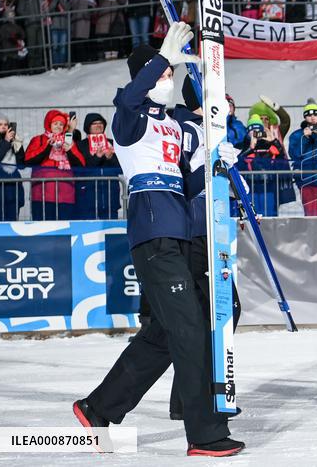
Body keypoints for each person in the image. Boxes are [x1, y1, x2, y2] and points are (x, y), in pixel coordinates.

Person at [72, 23, 245, 457]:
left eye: (170, 76)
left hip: (180, 232)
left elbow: (189, 186)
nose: (169, 82)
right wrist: (161, 60)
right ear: (146, 76)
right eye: (164, 76)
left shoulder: (171, 124)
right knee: (189, 327)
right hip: (153, 233)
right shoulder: (129, 118)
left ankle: (98, 409)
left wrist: (213, 162)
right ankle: (204, 433)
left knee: (166, 335)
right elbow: (129, 97)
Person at [170, 75, 243, 419]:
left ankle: (186, 398)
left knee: (216, 311)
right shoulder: (183, 127)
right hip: (194, 229)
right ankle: (191, 397)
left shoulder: (207, 128)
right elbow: (181, 181)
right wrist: (211, 165)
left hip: (212, 227)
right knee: (208, 313)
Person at [23, 109, 86, 220]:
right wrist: (47, 147)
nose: (58, 126)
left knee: (65, 228)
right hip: (42, 195)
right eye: (55, 123)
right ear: (49, 124)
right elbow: (28, 160)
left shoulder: (68, 141)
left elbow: (81, 164)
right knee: (43, 228)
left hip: (66, 195)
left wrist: (70, 150)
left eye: (61, 124)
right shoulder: (39, 139)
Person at [73, 113, 121, 220]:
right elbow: (80, 167)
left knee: (110, 230)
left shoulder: (113, 143)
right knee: (87, 231)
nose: (98, 125)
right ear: (87, 127)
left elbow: (122, 166)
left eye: (101, 123)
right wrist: (97, 157)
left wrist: (110, 158)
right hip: (87, 196)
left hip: (110, 195)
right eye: (94, 123)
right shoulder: (80, 145)